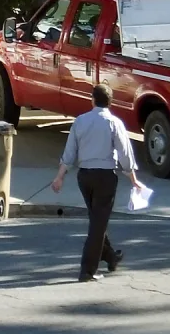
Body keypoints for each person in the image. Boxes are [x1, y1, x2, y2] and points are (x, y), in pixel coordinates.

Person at [50, 83, 144, 281]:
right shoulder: (114, 123)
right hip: (105, 177)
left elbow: (69, 152)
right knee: (98, 224)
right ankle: (87, 270)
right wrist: (133, 178)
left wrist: (60, 176)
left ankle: (110, 256)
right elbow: (125, 153)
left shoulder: (80, 121)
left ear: (92, 100)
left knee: (97, 220)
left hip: (85, 177)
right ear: (110, 102)